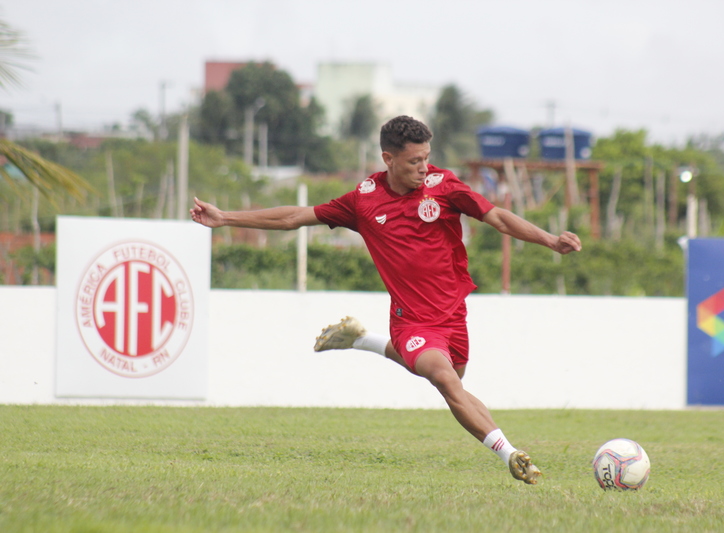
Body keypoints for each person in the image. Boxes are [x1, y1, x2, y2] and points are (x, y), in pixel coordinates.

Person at [191, 115, 582, 484]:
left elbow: (496, 216)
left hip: (453, 314)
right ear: (388, 159)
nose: (424, 168)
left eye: (427, 158)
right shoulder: (363, 201)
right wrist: (225, 218)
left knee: (453, 377)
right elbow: (294, 217)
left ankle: (364, 340)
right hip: (412, 320)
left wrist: (549, 239)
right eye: (414, 161)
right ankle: (510, 454)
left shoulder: (445, 187)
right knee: (445, 379)